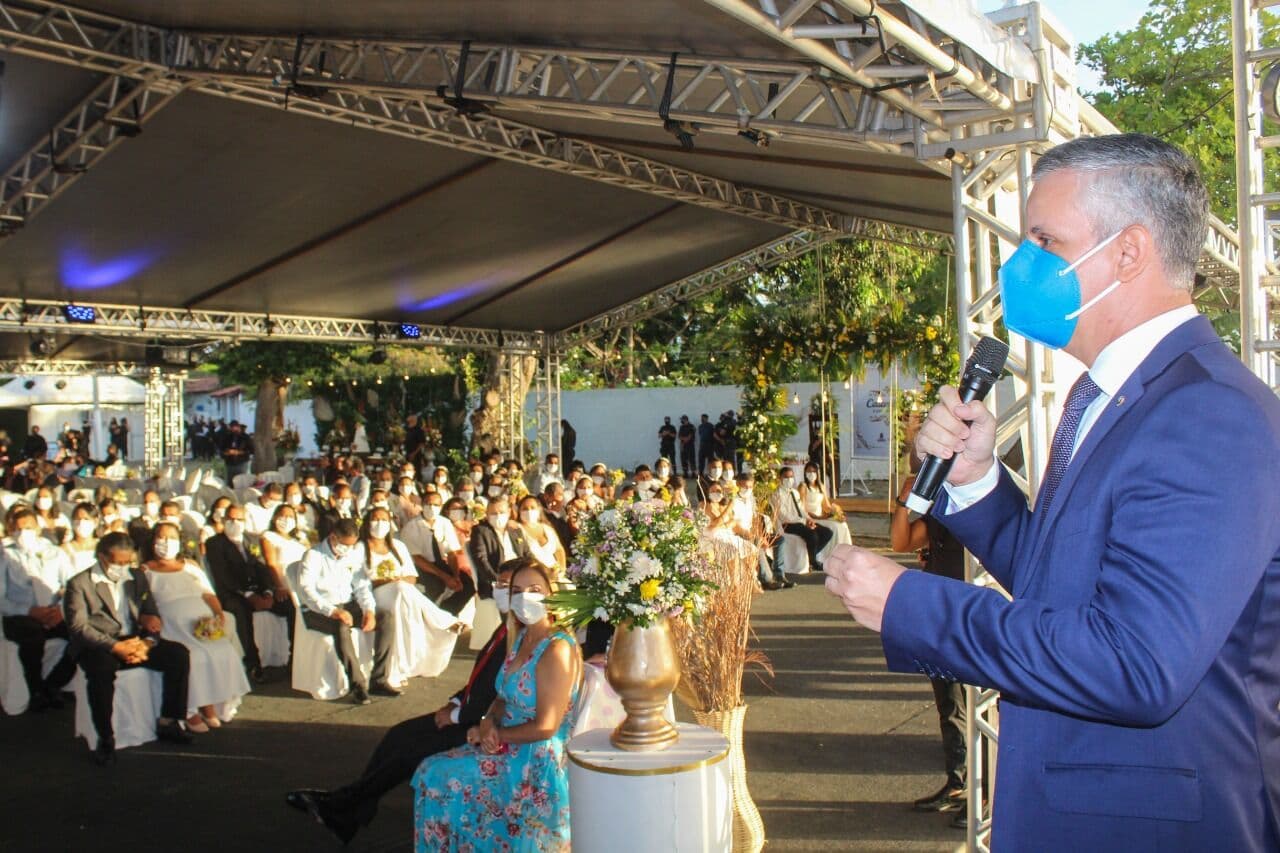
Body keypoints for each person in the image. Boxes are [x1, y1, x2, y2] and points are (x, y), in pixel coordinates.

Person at [823, 134, 1280, 851]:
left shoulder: (1208, 411)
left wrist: (910, 604)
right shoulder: (1116, 394)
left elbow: (1136, 661)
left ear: (1128, 252)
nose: (1022, 263)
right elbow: (1072, 587)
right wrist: (977, 482)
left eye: (1045, 239)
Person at [286, 563, 518, 844]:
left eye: (510, 587)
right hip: (468, 711)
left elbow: (500, 692)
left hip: (488, 722)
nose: (502, 592)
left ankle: (343, 805)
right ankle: (349, 808)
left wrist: (457, 715)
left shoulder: (521, 636)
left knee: (410, 752)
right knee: (400, 734)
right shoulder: (505, 628)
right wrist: (454, 703)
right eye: (501, 584)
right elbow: (479, 679)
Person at [412, 558, 581, 852]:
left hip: (535, 760)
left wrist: (495, 734)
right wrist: (489, 720)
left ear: (552, 595)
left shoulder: (557, 648)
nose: (525, 597)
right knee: (431, 771)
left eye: (535, 589)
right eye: (517, 590)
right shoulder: (522, 637)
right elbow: (503, 696)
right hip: (507, 742)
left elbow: (546, 726)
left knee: (438, 777)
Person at [64, 532, 193, 764]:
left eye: (127, 562)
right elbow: (78, 628)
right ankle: (105, 737)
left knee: (178, 654)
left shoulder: (136, 576)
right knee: (101, 673)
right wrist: (116, 647)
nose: (123, 568)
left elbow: (150, 611)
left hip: (134, 639)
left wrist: (147, 642)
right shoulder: (79, 584)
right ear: (102, 558)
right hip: (99, 644)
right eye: (117, 563)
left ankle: (169, 721)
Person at [890, 472, 968, 820]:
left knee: (978, 705)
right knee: (950, 705)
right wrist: (904, 503)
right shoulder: (938, 514)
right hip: (939, 617)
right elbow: (900, 541)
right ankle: (958, 782)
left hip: (970, 618)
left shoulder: (972, 507)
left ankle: (982, 793)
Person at [144, 522, 251, 732]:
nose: (166, 543)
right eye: (161, 538)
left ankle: (211, 703)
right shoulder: (145, 570)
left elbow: (208, 593)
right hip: (173, 626)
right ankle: (192, 709)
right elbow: (143, 603)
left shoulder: (191, 565)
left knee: (223, 651)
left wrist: (219, 613)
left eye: (171, 538)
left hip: (201, 622)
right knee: (194, 656)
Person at [360, 507, 461, 692]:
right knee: (401, 590)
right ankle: (444, 619)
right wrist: (387, 581)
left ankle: (398, 667)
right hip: (375, 595)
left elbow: (412, 577)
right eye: (375, 519)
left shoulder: (398, 546)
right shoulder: (360, 548)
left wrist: (397, 581)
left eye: (384, 520)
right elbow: (360, 582)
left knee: (402, 591)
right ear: (367, 523)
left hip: (401, 594)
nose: (379, 524)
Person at [294, 518, 382, 704]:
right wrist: (332, 610)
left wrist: (369, 610)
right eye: (344, 544)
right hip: (318, 609)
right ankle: (358, 685)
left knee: (387, 617)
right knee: (341, 626)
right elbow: (306, 591)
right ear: (333, 537)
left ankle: (379, 677)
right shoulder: (313, 555)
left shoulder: (352, 555)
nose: (347, 549)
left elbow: (362, 586)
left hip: (348, 604)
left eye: (352, 545)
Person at [205, 504, 296, 683]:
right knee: (241, 611)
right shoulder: (215, 543)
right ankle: (253, 664)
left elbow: (263, 569)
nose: (235, 523)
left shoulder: (253, 540)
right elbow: (223, 576)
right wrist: (249, 596)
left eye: (239, 519)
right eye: (230, 519)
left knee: (290, 606)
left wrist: (269, 592)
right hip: (233, 593)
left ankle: (294, 659)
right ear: (223, 521)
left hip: (259, 591)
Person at [0, 508, 79, 711]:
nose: (23, 533)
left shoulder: (54, 552)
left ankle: (53, 684)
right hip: (19, 614)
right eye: (18, 529)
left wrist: (60, 610)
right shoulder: (5, 554)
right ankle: (35, 690)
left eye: (28, 527)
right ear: (11, 530)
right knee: (33, 637)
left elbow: (72, 585)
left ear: (38, 528)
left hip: (53, 611)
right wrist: (29, 610)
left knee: (81, 636)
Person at [399, 490, 474, 616]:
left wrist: (455, 576)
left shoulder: (445, 523)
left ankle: (446, 614)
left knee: (467, 584)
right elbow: (417, 558)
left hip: (441, 563)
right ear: (422, 504)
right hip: (421, 567)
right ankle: (426, 618)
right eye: (428, 504)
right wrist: (445, 577)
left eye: (436, 505)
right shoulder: (411, 527)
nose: (432, 508)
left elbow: (451, 552)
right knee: (436, 586)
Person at [769, 466, 830, 587]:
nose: (789, 479)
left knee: (827, 532)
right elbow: (784, 516)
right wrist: (804, 521)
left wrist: (809, 519)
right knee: (812, 535)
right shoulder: (776, 495)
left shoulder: (795, 492)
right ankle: (813, 561)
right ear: (780, 478)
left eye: (791, 477)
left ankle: (812, 555)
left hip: (800, 521)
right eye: (786, 477)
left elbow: (801, 509)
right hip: (788, 524)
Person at [516, 495, 566, 579]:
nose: (529, 511)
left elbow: (559, 549)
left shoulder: (547, 528)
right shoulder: (516, 530)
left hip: (555, 574)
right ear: (519, 511)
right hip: (530, 576)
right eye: (525, 508)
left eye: (532, 508)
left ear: (539, 510)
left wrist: (562, 569)